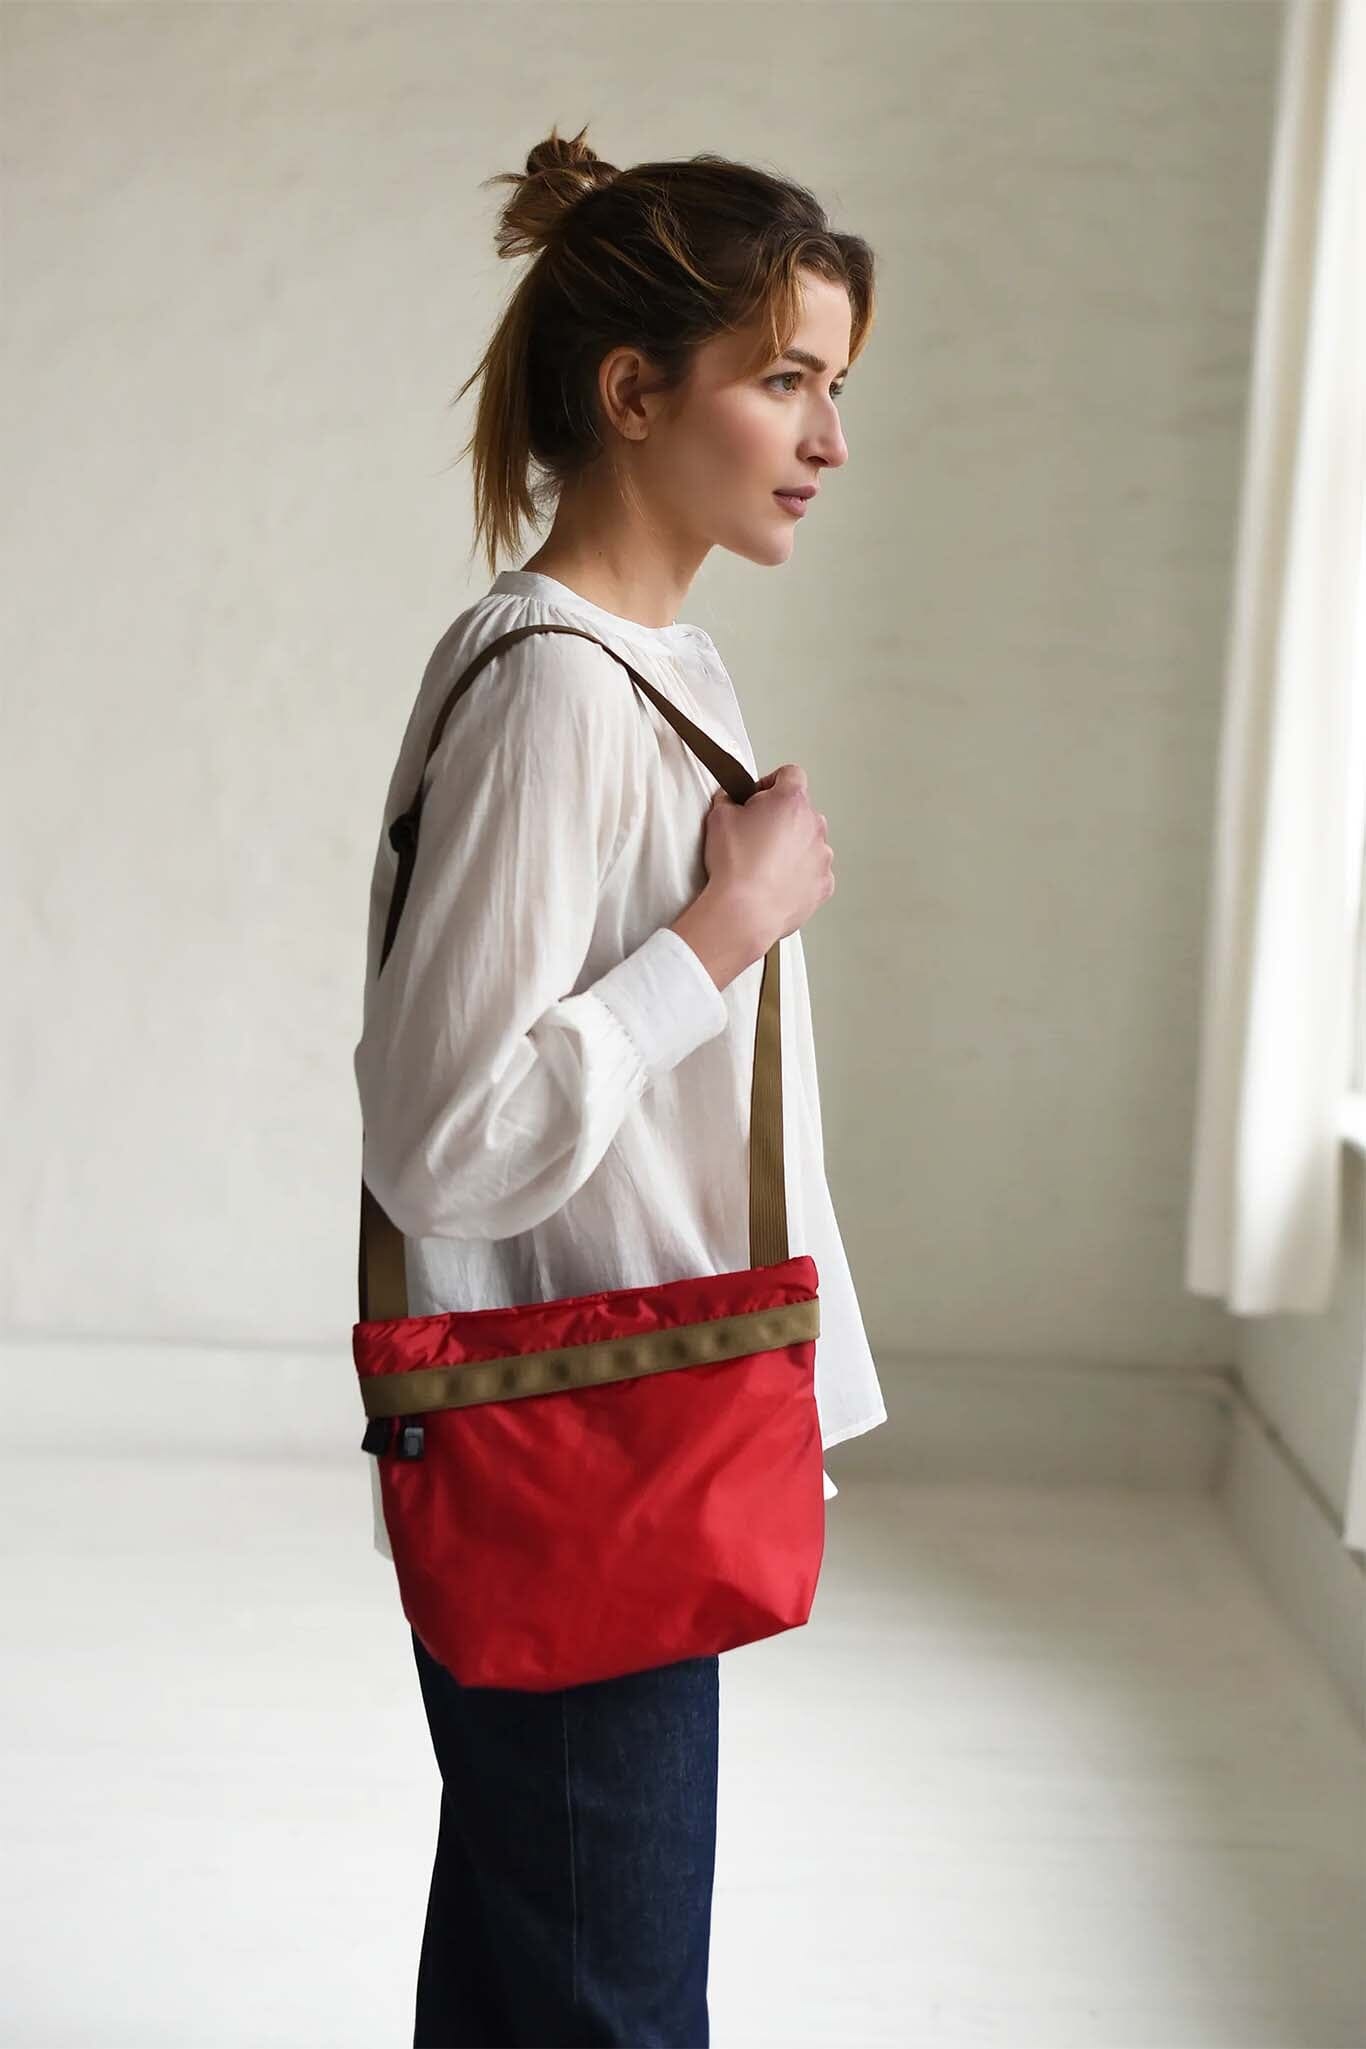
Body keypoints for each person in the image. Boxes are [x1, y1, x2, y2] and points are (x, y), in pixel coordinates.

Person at [352, 121, 887, 2049]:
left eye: (835, 385)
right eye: (785, 382)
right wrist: (718, 938)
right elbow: (442, 1132)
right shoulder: (563, 688)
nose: (828, 439)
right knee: (605, 2004)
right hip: (582, 1440)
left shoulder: (655, 667)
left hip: (621, 1418)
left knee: (528, 1983)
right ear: (634, 391)